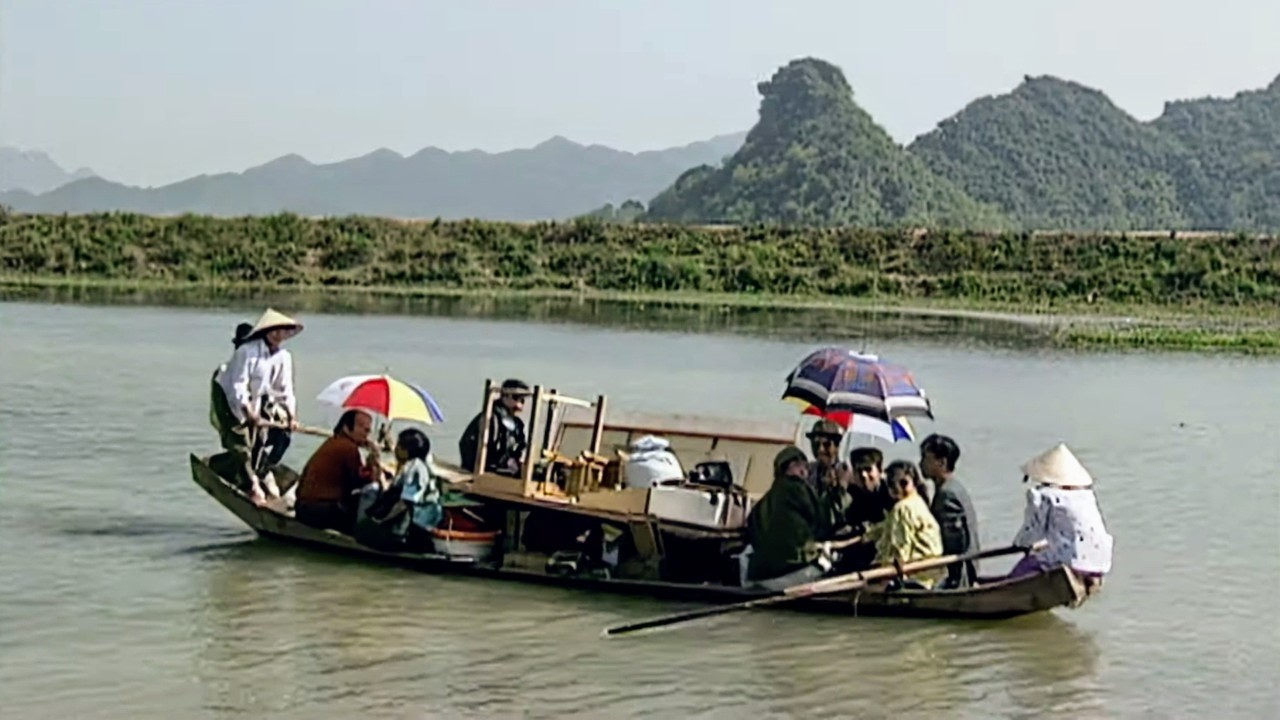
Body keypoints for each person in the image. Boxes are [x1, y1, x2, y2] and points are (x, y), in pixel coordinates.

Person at [216, 308, 303, 502]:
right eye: (276, 331)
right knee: (241, 442)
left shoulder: (283, 357)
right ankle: (252, 486)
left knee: (276, 437)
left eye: (283, 331)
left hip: (257, 398)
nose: (280, 335)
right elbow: (237, 386)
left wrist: (291, 417)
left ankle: (262, 469)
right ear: (267, 331)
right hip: (229, 394)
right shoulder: (247, 351)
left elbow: (285, 390)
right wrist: (248, 412)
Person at [1008, 443, 1114, 594]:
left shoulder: (1044, 495)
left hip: (1072, 559)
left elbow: (1033, 530)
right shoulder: (1086, 495)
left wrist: (1020, 544)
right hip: (1099, 561)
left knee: (1024, 568)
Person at [742, 446, 838, 590]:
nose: (805, 472)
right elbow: (827, 523)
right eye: (803, 467)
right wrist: (840, 489)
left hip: (759, 576)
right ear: (795, 467)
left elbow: (751, 532)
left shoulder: (763, 503)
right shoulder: (798, 488)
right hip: (794, 572)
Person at [355, 428, 444, 551]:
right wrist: (378, 470)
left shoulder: (414, 468)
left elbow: (405, 503)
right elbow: (392, 491)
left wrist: (381, 521)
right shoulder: (421, 464)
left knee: (362, 531)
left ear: (406, 451)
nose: (395, 449)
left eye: (398, 446)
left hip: (413, 529)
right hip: (419, 526)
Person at [295, 409, 382, 532]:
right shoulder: (348, 448)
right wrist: (374, 462)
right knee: (371, 494)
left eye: (368, 431)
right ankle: (362, 532)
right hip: (319, 511)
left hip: (304, 507)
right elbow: (360, 482)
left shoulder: (333, 442)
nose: (367, 435)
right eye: (364, 430)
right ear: (347, 427)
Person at [862, 460, 945, 589]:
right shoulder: (918, 502)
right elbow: (884, 527)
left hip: (917, 578)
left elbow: (900, 553)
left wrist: (878, 574)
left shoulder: (902, 508)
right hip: (933, 576)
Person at [920, 433, 980, 588]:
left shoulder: (947, 494)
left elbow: (953, 545)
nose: (921, 464)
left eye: (926, 458)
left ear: (941, 462)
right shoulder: (953, 487)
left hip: (958, 573)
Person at [458, 378, 529, 476]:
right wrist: (478, 468)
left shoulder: (517, 424)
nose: (520, 403)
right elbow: (466, 444)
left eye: (523, 400)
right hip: (485, 470)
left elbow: (520, 448)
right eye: (517, 398)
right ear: (504, 396)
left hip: (503, 468)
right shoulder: (490, 418)